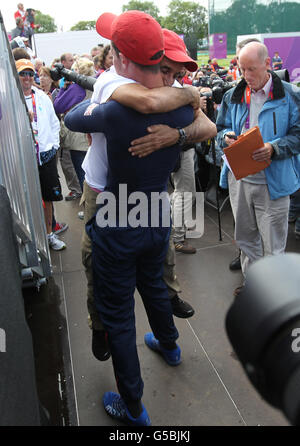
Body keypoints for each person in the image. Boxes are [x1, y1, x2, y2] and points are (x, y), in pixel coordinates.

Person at [64, 10, 205, 426]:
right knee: (156, 287)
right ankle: (171, 345)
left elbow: (72, 118)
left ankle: (133, 406)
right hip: (156, 211)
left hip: (116, 215)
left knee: (120, 315)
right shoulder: (181, 109)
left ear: (121, 57)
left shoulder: (111, 109)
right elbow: (205, 124)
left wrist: (104, 96)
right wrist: (184, 110)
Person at [216, 42, 300, 296]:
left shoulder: (290, 95)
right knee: (245, 239)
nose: (246, 76)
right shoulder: (234, 95)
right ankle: (253, 286)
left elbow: (298, 135)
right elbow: (220, 129)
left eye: (251, 69)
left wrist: (274, 148)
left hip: (273, 183)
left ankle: (273, 294)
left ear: (267, 64)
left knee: (273, 243)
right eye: (242, 69)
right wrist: (226, 138)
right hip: (239, 179)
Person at [16, 59, 66, 251]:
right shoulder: (10, 99)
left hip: (45, 155)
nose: (27, 78)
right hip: (23, 157)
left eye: (30, 74)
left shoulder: (42, 96)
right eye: (23, 74)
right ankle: (30, 240)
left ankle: (49, 235)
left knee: (49, 197)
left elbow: (54, 123)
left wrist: (54, 146)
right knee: (27, 199)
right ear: (17, 77)